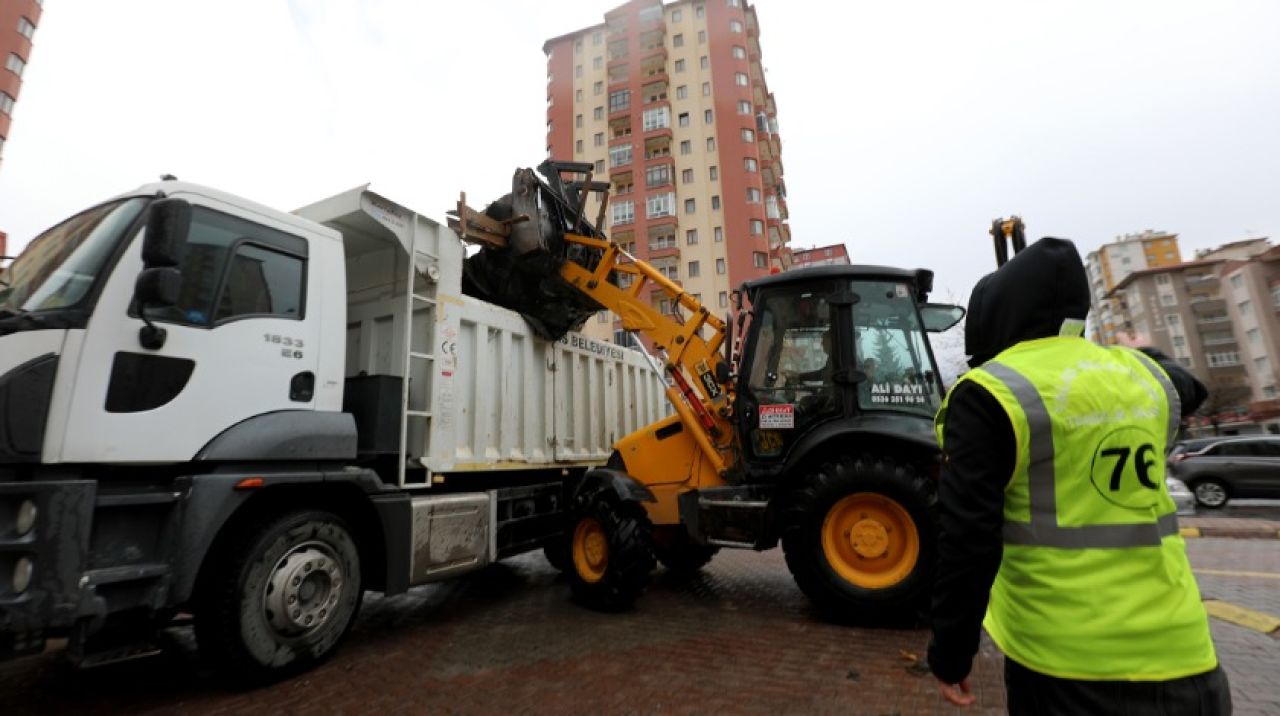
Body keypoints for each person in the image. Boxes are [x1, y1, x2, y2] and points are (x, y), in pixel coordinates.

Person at [927, 237, 1230, 714]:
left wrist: (950, 652)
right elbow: (1191, 386)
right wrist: (1145, 350)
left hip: (1066, 665)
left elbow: (968, 539)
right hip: (1188, 660)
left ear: (996, 314)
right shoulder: (1144, 375)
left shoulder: (991, 392)